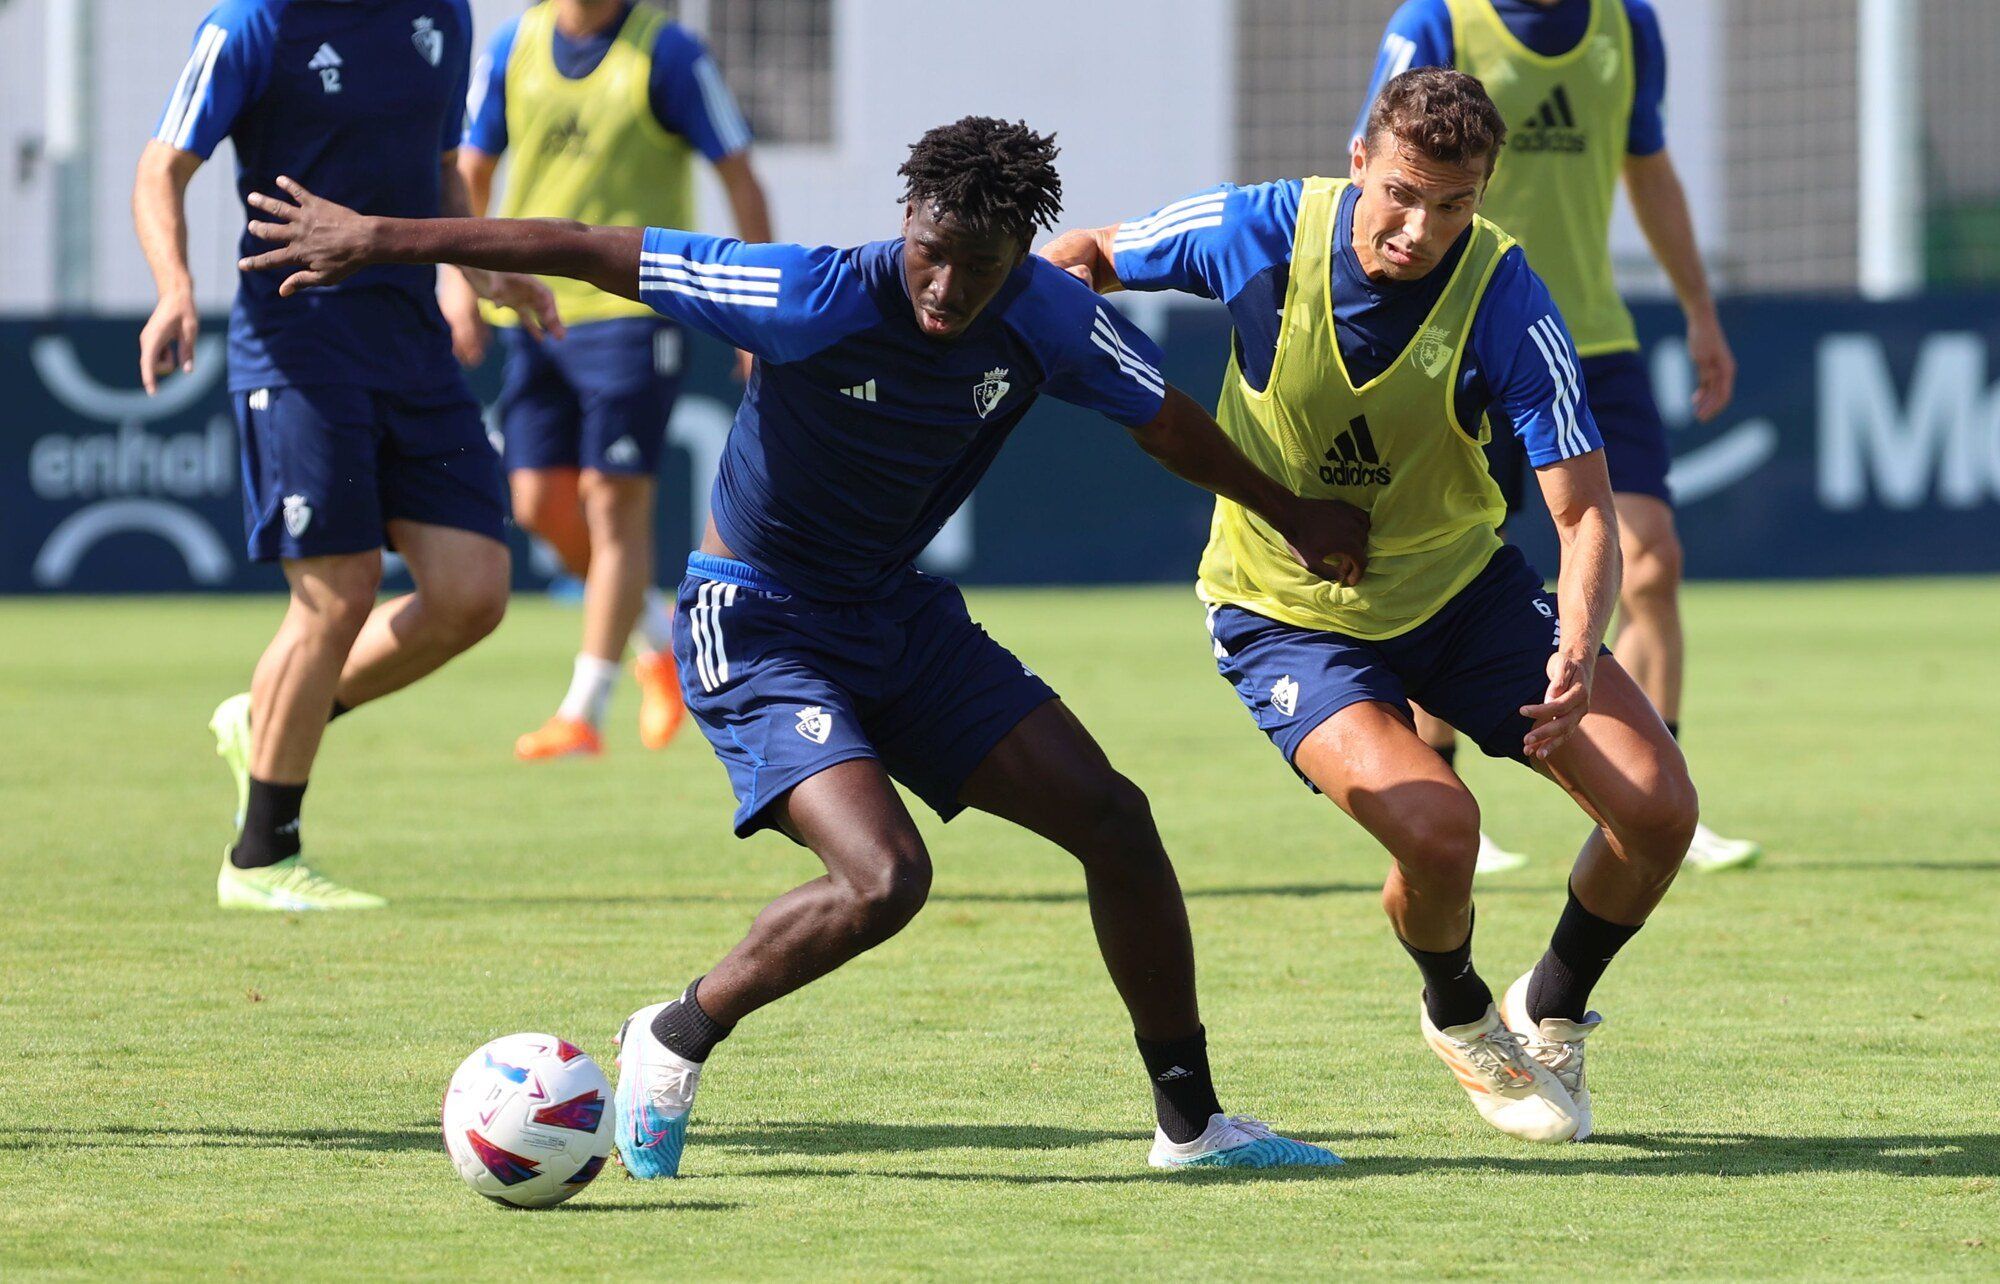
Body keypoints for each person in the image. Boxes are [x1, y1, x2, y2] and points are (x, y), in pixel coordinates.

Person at [239, 117, 1370, 1171]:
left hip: (898, 617)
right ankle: (675, 1032)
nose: (946, 285)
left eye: (978, 266)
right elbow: (587, 246)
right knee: (884, 879)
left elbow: (1167, 423)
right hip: (757, 620)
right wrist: (384, 239)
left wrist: (1290, 510)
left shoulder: (1049, 317)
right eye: (931, 252)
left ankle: (1191, 1122)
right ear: (906, 219)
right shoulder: (808, 292)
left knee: (1114, 821)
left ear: (1021, 253)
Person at [1042, 69, 1698, 1143]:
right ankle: (1455, 1010)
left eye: (1452, 205)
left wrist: (1578, 648)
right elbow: (1090, 255)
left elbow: (1581, 517)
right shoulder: (1252, 229)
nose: (1418, 227)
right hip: (1283, 613)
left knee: (1658, 808)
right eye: (1400, 192)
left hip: (1460, 594)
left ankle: (1551, 1002)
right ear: (1357, 160)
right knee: (1440, 833)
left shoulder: (1507, 298)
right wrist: (1025, 322)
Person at [136, 0, 558, 911]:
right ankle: (261, 858)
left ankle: (274, 713)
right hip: (298, 349)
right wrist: (175, 288)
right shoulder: (251, 24)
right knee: (338, 590)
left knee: (473, 592)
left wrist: (481, 268)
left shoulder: (444, 15)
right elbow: (159, 169)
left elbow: (442, 172)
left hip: (412, 352)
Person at [1354, 0, 1759, 872]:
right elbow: (1373, 171)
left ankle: (1658, 796)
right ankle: (1440, 796)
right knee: (1444, 568)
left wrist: (1699, 309)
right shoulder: (1436, 20)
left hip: (1596, 342)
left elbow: (1649, 170)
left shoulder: (1628, 25)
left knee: (1652, 559)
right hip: (1464, 339)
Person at [450, 0, 774, 762]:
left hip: (633, 311)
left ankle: (583, 708)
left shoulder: (667, 57)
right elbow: (469, 171)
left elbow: (739, 175)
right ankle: (660, 644)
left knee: (613, 502)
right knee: (536, 503)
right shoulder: (511, 47)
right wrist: (458, 285)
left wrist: (758, 312)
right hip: (529, 308)